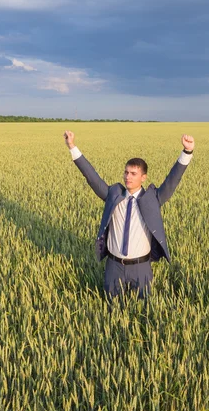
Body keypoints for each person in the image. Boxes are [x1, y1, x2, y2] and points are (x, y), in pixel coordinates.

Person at [63, 130, 195, 304]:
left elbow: (172, 181)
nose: (128, 177)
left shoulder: (152, 199)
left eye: (133, 173)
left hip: (141, 268)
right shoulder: (113, 194)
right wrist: (72, 147)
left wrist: (187, 152)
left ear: (143, 177)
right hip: (114, 266)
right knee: (112, 310)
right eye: (126, 172)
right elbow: (92, 177)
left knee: (142, 314)